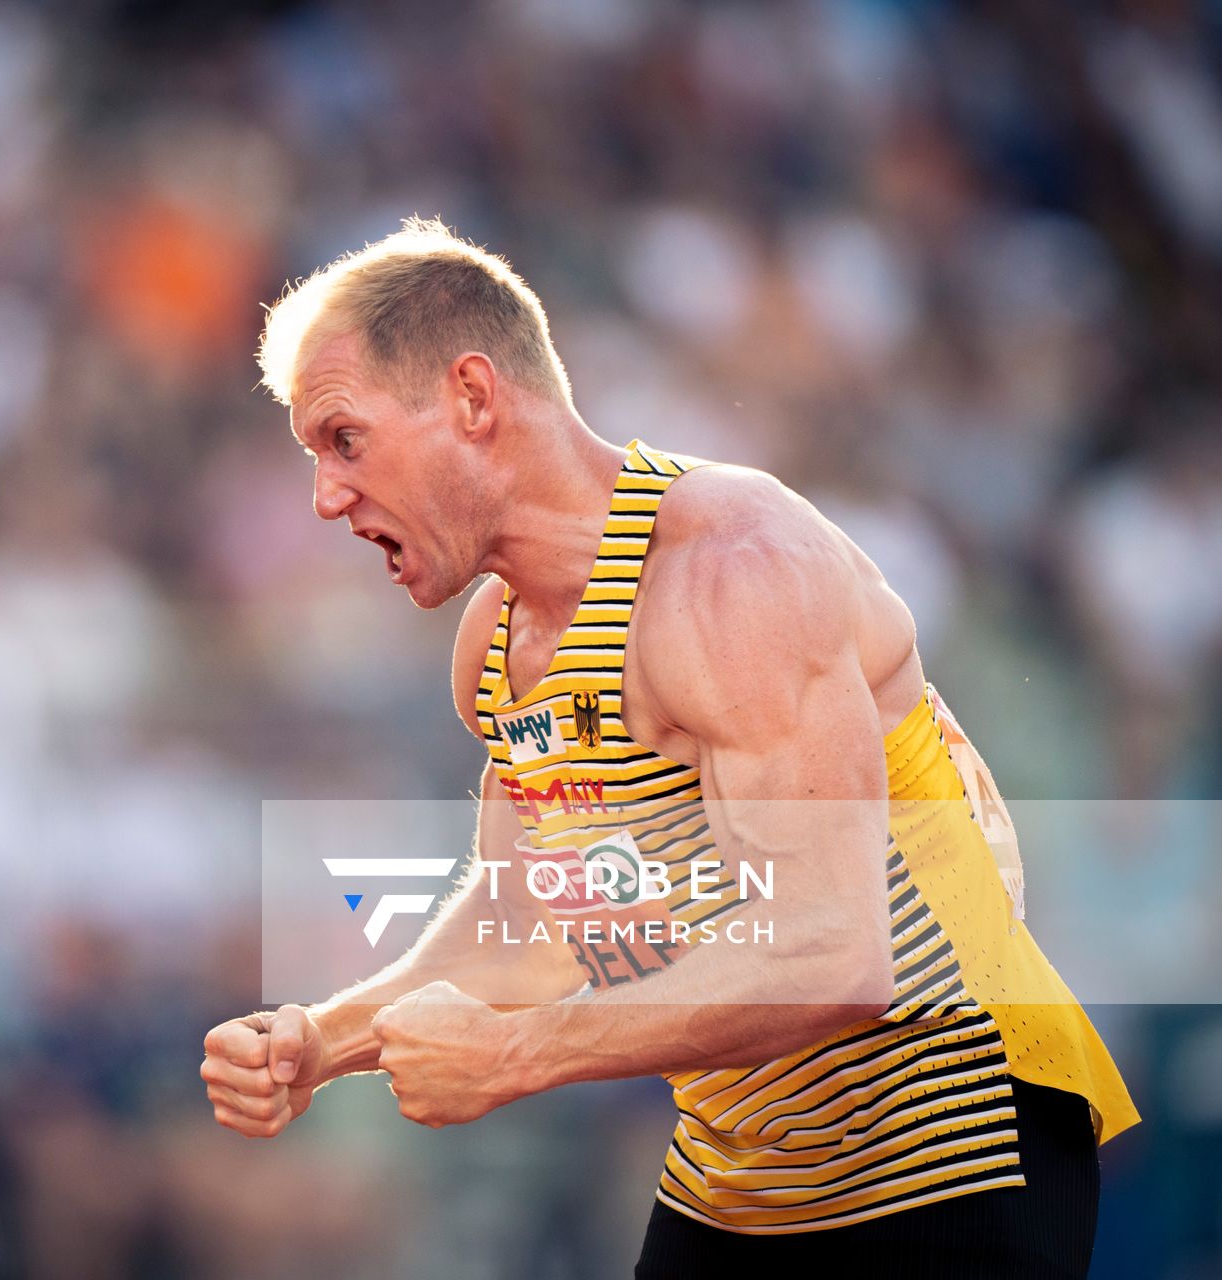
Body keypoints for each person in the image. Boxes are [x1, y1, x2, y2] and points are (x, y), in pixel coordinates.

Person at [199, 218, 1138, 1273]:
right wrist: (326, 1041)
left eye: (345, 439)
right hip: (744, 1174)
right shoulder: (494, 646)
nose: (326, 497)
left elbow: (835, 955)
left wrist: (514, 1056)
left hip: (958, 1143)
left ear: (472, 397)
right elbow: (528, 928)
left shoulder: (730, 570)